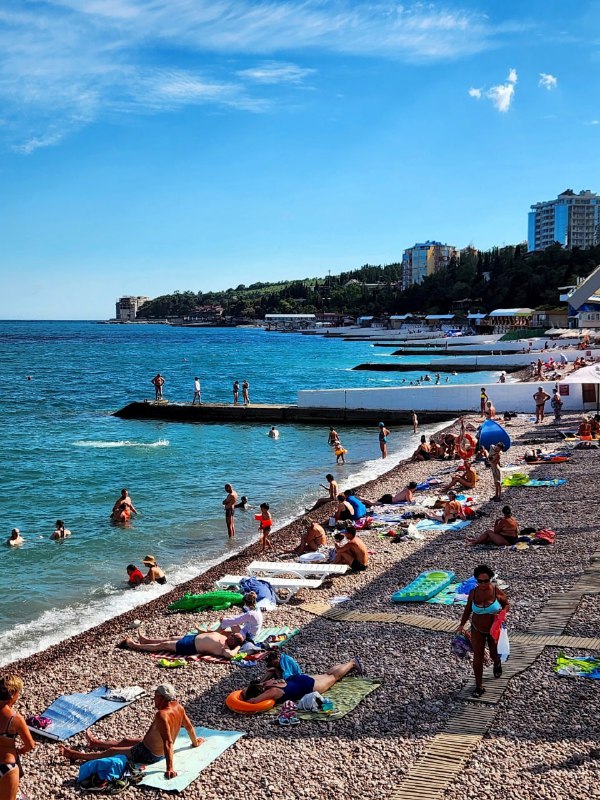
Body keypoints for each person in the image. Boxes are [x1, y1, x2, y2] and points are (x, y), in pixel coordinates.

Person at [60, 684, 202, 779]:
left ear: (161, 698)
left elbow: (168, 742)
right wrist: (195, 742)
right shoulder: (179, 707)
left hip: (149, 753)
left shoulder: (162, 715)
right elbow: (189, 727)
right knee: (126, 741)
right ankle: (95, 743)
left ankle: (74, 755)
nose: (153, 699)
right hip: (150, 745)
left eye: (155, 696)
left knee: (112, 751)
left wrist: (169, 768)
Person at [457, 565, 509, 698]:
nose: (483, 584)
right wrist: (461, 625)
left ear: (490, 580)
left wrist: (503, 613)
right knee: (477, 657)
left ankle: (497, 663)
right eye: (480, 581)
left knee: (494, 654)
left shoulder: (496, 591)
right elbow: (468, 610)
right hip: (477, 629)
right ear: (476, 581)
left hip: (493, 630)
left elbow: (506, 604)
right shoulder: (473, 593)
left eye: (486, 581)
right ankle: (479, 686)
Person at [241, 658, 363, 706]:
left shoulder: (272, 691)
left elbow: (253, 701)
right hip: (298, 679)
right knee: (327, 674)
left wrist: (244, 700)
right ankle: (348, 663)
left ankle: (352, 663)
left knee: (333, 677)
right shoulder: (266, 683)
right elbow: (247, 689)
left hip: (307, 686)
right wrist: (244, 692)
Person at [0, 675, 35, 800]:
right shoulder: (15, 719)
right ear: (12, 693)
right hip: (6, 766)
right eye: (18, 693)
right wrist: (19, 751)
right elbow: (30, 745)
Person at [122, 629, 244, 659]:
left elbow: (231, 655)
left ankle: (134, 646)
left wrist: (238, 647)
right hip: (192, 638)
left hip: (191, 647)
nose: (231, 635)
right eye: (233, 634)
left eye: (233, 636)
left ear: (234, 642)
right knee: (170, 638)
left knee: (164, 645)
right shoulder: (225, 637)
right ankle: (146, 641)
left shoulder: (224, 648)